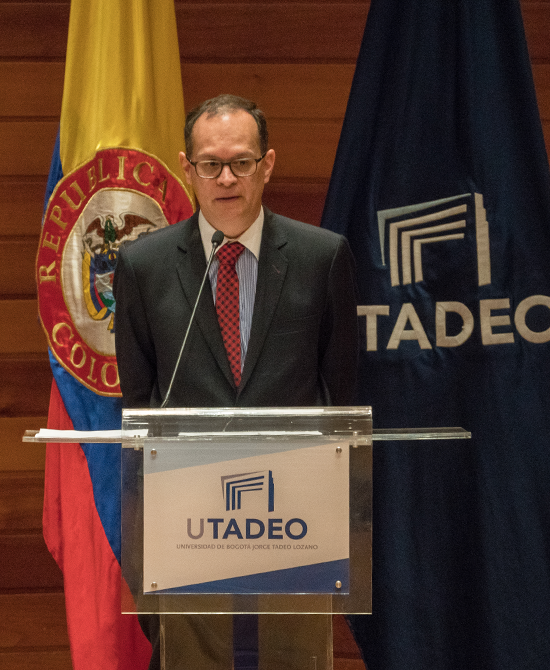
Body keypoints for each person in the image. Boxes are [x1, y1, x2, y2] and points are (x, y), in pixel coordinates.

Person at [113, 94, 359, 669]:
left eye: (241, 163)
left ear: (266, 165)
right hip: (187, 512)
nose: (226, 178)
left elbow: (338, 391)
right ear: (187, 167)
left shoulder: (322, 257)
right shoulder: (144, 266)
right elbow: (140, 399)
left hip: (295, 511)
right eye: (210, 164)